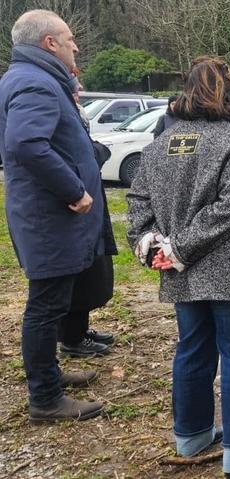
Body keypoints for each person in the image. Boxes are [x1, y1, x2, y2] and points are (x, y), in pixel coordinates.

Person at [126, 57, 230, 478]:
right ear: (228, 92)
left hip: (183, 273)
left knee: (192, 349)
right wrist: (173, 248)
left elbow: (137, 202)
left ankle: (192, 435)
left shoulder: (160, 144)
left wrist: (151, 246)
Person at [0, 9, 103, 422]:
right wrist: (73, 189)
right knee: (45, 308)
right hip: (50, 218)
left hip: (43, 214)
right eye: (69, 38)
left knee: (53, 305)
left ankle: (52, 375)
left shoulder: (24, 78)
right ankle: (45, 399)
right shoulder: (36, 83)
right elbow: (26, 144)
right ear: (49, 43)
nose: (75, 45)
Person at [59, 81, 117, 358]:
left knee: (90, 273)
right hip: (75, 208)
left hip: (88, 205)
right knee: (78, 279)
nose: (79, 89)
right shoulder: (61, 113)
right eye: (74, 87)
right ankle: (71, 338)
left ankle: (79, 331)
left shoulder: (73, 112)